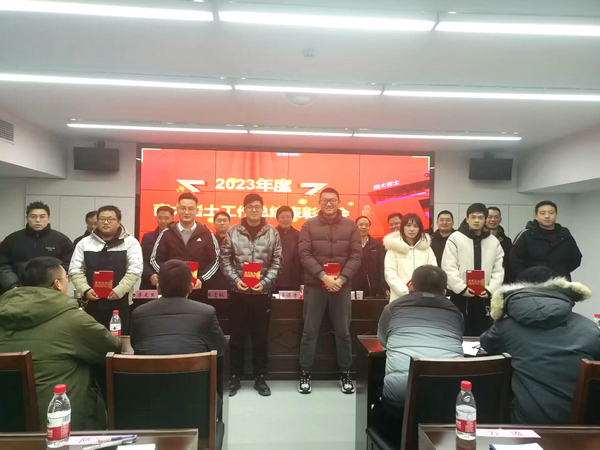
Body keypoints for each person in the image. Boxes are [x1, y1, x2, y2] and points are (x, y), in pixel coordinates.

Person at [0, 257, 121, 431]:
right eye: (67, 278)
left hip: (7, 425)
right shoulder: (72, 319)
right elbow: (112, 348)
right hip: (60, 426)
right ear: (57, 284)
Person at [480, 266, 600, 425]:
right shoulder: (589, 328)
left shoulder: (506, 327)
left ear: (518, 290)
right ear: (560, 289)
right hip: (581, 427)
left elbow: (486, 344)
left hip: (522, 425)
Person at [377, 265, 463, 445]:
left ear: (410, 286)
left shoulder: (392, 309)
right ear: (444, 290)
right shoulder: (456, 313)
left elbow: (384, 340)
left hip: (401, 397)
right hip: (448, 397)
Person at [298, 188, 362, 395]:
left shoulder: (351, 226)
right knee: (309, 331)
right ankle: (305, 373)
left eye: (332, 200)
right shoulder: (308, 225)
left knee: (343, 331)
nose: (328, 203)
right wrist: (322, 276)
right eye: (325, 200)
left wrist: (342, 279)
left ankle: (346, 373)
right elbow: (304, 254)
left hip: (341, 287)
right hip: (315, 285)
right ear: (319, 202)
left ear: (339, 201)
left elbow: (356, 256)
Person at [221, 194, 282, 397]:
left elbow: (277, 262)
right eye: (250, 207)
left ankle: (260, 378)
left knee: (260, 337)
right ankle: (234, 377)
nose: (254, 210)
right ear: (244, 209)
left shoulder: (272, 233)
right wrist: (234, 280)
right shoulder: (233, 232)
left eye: (257, 206)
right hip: (238, 293)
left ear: (262, 209)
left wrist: (264, 283)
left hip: (261, 294)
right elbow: (225, 260)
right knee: (236, 337)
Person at [70, 205, 143, 334]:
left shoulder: (131, 243)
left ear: (119, 221)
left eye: (110, 219)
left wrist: (119, 291)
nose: (105, 222)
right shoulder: (84, 243)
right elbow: (75, 270)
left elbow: (135, 270)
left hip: (120, 303)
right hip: (91, 302)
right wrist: (85, 290)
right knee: (92, 339)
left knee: (119, 340)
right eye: (102, 219)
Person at [130, 260, 226, 355]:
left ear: (158, 288)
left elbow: (135, 345)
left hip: (150, 365)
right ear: (191, 288)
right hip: (194, 365)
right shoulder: (206, 313)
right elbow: (220, 349)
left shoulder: (139, 313)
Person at [442, 203, 504, 336]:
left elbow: (499, 269)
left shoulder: (493, 241)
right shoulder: (455, 238)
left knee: (483, 333)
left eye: (480, 218)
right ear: (467, 219)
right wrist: (461, 288)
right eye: (473, 217)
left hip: (484, 295)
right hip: (460, 296)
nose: (477, 221)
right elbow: (448, 266)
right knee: (458, 332)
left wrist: (490, 289)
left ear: (485, 220)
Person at [150, 193, 220, 301]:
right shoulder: (167, 233)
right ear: (177, 210)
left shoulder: (207, 234)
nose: (186, 212)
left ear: (197, 210)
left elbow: (216, 260)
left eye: (191, 209)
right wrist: (168, 275)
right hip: (172, 291)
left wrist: (201, 279)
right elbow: (155, 259)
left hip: (198, 291)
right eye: (183, 208)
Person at [0, 201, 74, 294]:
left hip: (51, 291)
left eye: (42, 217)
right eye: (33, 216)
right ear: (27, 218)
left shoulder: (62, 240)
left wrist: (54, 284)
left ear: (48, 218)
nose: (38, 220)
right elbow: (3, 266)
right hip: (18, 291)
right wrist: (14, 286)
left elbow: (68, 265)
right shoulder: (12, 240)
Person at [510, 201, 582, 281]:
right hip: (532, 283)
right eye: (542, 213)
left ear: (556, 215)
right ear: (536, 216)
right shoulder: (525, 235)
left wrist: (561, 272)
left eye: (551, 213)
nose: (547, 216)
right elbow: (515, 261)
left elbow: (576, 259)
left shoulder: (565, 235)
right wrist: (529, 277)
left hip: (560, 282)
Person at [383, 213, 436, 302]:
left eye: (415, 226)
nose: (411, 229)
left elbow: (433, 271)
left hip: (423, 298)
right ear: (402, 227)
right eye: (408, 226)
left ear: (420, 229)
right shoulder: (393, 248)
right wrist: (407, 291)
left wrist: (421, 291)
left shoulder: (426, 248)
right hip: (399, 298)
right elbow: (390, 275)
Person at [139, 206, 174, 289]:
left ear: (172, 218)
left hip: (171, 281)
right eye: (160, 218)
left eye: (166, 218)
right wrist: (150, 275)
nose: (163, 221)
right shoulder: (147, 237)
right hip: (149, 283)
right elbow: (140, 259)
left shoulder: (176, 238)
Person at [352, 216, 385, 298]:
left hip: (371, 286)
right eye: (361, 225)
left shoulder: (377, 245)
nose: (363, 227)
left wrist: (381, 287)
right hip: (353, 284)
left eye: (366, 225)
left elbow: (381, 266)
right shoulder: (350, 243)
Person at [275, 206, 303, 292]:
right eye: (282, 217)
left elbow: (303, 260)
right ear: (277, 218)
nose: (285, 220)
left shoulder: (299, 235)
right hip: (274, 280)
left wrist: (302, 282)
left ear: (292, 218)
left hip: (294, 280)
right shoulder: (271, 234)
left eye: (288, 217)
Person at [486, 207, 513, 282]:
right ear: (484, 219)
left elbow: (508, 263)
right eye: (489, 217)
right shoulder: (477, 238)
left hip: (500, 279)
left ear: (500, 220)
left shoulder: (506, 241)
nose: (493, 220)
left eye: (496, 217)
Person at [206, 211, 231, 291]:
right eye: (219, 221)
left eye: (225, 220)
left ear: (229, 223)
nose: (222, 223)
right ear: (214, 223)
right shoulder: (208, 240)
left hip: (230, 280)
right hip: (211, 279)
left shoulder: (234, 240)